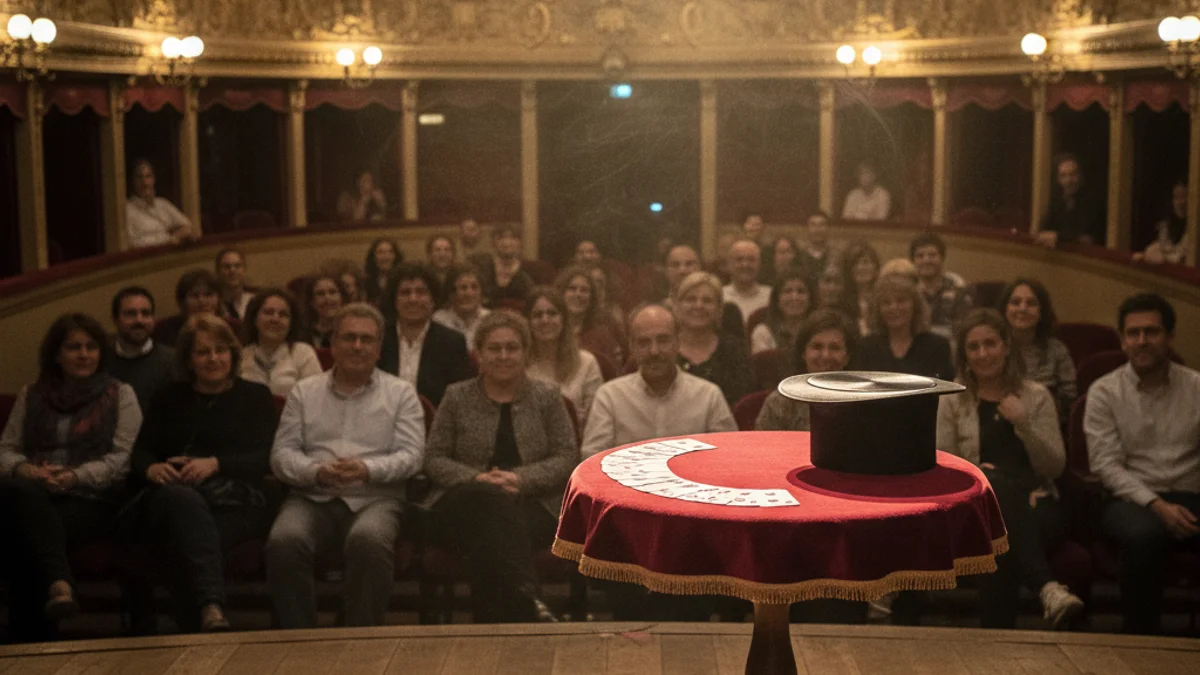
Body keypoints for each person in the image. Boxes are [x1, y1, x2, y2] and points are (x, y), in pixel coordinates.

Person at [267, 303, 425, 629]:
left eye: (366, 340)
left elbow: (412, 455)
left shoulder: (401, 394)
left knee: (368, 539)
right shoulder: (304, 392)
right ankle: (297, 641)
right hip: (313, 495)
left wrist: (367, 469)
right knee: (284, 540)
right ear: (333, 344)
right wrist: (316, 471)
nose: (357, 346)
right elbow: (282, 454)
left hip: (377, 496)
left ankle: (358, 641)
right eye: (349, 337)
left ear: (379, 348)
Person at [423, 312, 575, 623]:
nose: (503, 356)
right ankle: (529, 600)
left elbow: (566, 455)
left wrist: (521, 479)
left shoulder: (547, 396)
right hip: (463, 503)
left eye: (512, 348)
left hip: (533, 502)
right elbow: (434, 458)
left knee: (491, 533)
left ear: (525, 352)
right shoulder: (457, 396)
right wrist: (478, 479)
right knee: (491, 504)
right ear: (478, 353)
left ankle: (501, 621)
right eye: (494, 348)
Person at [128, 314, 276, 633]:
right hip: (171, 498)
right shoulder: (169, 397)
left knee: (188, 543)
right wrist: (152, 468)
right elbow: (141, 452)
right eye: (203, 352)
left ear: (233, 355)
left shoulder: (255, 397)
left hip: (234, 501)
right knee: (183, 505)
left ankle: (191, 629)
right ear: (188, 359)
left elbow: (265, 458)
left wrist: (216, 463)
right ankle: (210, 608)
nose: (213, 359)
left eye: (221, 350)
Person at [938, 309, 1083, 629]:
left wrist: (1024, 423)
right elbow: (946, 467)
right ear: (964, 354)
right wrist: (997, 482)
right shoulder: (952, 399)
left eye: (990, 343)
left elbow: (1055, 465)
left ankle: (994, 646)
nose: (983, 353)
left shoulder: (1036, 396)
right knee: (993, 492)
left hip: (1039, 504)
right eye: (973, 347)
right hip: (974, 507)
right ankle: (1047, 588)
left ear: (1006, 346)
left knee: (998, 545)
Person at [0, 314, 141, 642]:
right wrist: (28, 470)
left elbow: (123, 459)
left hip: (93, 499)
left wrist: (74, 477)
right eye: (74, 347)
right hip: (33, 491)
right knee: (21, 494)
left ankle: (30, 642)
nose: (84, 354)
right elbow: (5, 450)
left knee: (23, 535)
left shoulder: (120, 394)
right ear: (56, 354)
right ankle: (58, 589)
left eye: (91, 347)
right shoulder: (31, 394)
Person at [1085, 293, 1200, 635]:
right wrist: (1158, 505)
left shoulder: (1196, 387)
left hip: (1191, 492)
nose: (1142, 341)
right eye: (1133, 333)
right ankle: (1141, 641)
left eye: (1152, 332)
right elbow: (1106, 465)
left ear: (1170, 337)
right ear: (1122, 340)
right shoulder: (1104, 392)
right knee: (1143, 537)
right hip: (1132, 498)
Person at [582, 303, 736, 457]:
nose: (654, 351)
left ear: (678, 342)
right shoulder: (610, 397)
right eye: (644, 343)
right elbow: (591, 459)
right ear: (631, 347)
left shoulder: (708, 396)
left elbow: (728, 457)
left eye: (663, 340)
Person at [377, 264, 475, 406]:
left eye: (421, 292)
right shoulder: (379, 339)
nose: (413, 299)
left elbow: (460, 401)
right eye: (405, 292)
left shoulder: (452, 342)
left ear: (432, 299)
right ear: (394, 300)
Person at [756, 309, 857, 431]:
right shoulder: (780, 403)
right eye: (817, 347)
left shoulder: (862, 403)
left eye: (834, 348)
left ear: (847, 357)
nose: (825, 355)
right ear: (803, 353)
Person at [999, 279, 1076, 423]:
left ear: (1042, 311)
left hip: (1048, 422)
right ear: (1005, 309)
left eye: (1031, 303)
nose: (1022, 308)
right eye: (1015, 302)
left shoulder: (1057, 350)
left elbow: (1069, 398)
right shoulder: (994, 348)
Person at [674, 272, 755, 408]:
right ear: (678, 306)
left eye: (707, 301)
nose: (699, 305)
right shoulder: (663, 349)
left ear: (719, 310)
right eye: (691, 299)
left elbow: (742, 404)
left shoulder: (735, 351)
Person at [525, 288, 604, 427]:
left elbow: (595, 421)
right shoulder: (519, 365)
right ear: (528, 322)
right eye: (537, 315)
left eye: (552, 313)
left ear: (563, 319)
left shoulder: (586, 363)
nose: (545, 320)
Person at [856, 275, 954, 381]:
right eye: (886, 303)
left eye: (901, 301)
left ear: (915, 305)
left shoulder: (938, 346)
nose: (893, 307)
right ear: (878, 310)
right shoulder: (866, 347)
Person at [239, 289, 323, 397]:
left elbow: (315, 398)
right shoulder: (241, 356)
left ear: (291, 323)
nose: (275, 319)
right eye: (268, 312)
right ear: (255, 319)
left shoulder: (304, 353)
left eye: (283, 314)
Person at [109, 287, 176, 413]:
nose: (139, 320)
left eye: (145, 314)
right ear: (115, 319)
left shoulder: (172, 361)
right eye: (131, 314)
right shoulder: (101, 360)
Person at [659, 244, 744, 338]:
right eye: (675, 265)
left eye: (689, 264)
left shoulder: (728, 312)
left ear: (700, 267)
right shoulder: (658, 312)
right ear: (665, 271)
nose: (682, 270)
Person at [556, 266, 625, 370]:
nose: (578, 294)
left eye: (584, 290)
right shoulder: (551, 332)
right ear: (562, 293)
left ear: (591, 298)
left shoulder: (603, 336)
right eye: (572, 288)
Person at [910, 232, 972, 340]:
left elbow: (963, 332)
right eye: (920, 256)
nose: (926, 260)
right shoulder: (908, 292)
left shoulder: (959, 291)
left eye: (932, 255)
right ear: (913, 261)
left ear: (942, 258)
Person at [1036, 153, 1106, 248]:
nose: (1068, 181)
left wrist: (1058, 237)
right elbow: (1042, 230)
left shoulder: (1092, 204)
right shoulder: (1056, 203)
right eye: (1063, 176)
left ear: (1080, 176)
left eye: (1073, 174)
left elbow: (1086, 239)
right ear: (1058, 179)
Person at [125, 158, 197, 248]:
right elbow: (133, 244)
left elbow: (188, 227)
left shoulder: (162, 204)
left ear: (153, 180)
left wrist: (180, 234)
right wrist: (170, 239)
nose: (145, 183)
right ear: (132, 181)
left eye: (148, 176)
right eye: (139, 177)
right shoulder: (127, 210)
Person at [152, 269, 225, 348]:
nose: (202, 301)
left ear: (218, 298)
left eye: (208, 295)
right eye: (194, 295)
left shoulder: (233, 327)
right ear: (183, 301)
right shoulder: (163, 330)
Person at [751, 269, 815, 356]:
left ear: (810, 299)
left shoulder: (819, 332)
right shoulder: (763, 333)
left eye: (801, 291)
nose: (794, 297)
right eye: (787, 291)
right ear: (777, 299)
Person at [474, 224, 534, 308]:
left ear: (520, 242)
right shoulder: (483, 268)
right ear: (493, 242)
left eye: (513, 238)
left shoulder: (530, 269)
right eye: (501, 238)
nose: (507, 242)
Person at [432, 266, 491, 349]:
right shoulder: (439, 321)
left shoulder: (489, 320)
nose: (469, 293)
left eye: (474, 287)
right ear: (451, 294)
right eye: (463, 288)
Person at [1136, 180, 1188, 265]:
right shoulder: (1166, 224)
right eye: (1176, 197)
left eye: (1184, 196)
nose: (1181, 202)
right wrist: (1145, 255)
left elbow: (1182, 257)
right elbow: (1162, 246)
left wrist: (1163, 258)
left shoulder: (1194, 229)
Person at [722, 240, 772, 328]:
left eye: (751, 260)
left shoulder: (772, 296)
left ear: (760, 264)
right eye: (739, 259)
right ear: (729, 265)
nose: (745, 265)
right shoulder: (719, 296)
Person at [842, 241, 881, 335]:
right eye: (855, 264)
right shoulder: (842, 301)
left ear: (876, 267)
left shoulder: (883, 298)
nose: (860, 268)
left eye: (865, 262)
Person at [303, 274, 349, 349]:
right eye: (320, 294)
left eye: (332, 292)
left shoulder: (351, 332)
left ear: (342, 298)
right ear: (312, 302)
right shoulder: (303, 335)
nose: (327, 298)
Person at [214, 248, 254, 321]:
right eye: (226, 267)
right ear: (218, 271)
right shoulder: (212, 304)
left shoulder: (254, 302)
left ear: (244, 270)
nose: (232, 270)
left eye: (237, 266)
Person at [364, 238, 402, 305]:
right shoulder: (366, 282)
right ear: (373, 256)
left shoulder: (402, 280)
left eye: (390, 252)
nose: (386, 257)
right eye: (380, 252)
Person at [798, 211, 834, 280]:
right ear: (807, 229)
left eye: (821, 225)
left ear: (828, 228)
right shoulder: (799, 256)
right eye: (813, 225)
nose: (817, 229)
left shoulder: (838, 257)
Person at [425, 235, 457, 306]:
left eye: (447, 250)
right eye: (437, 250)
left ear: (453, 254)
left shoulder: (461, 277)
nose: (442, 254)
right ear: (429, 254)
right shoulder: (423, 278)